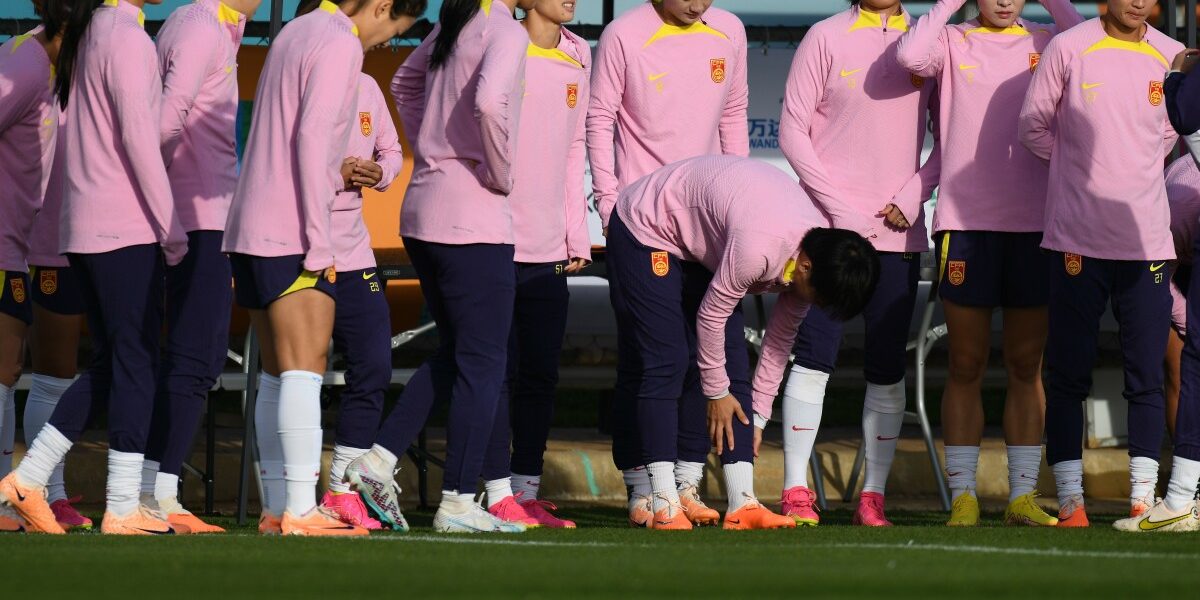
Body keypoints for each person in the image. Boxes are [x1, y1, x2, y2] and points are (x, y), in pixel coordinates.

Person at [223, 0, 417, 537]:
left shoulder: (295, 32)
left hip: (253, 226)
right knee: (304, 374)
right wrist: (316, 240)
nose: (382, 43)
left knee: (276, 376)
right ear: (381, 7)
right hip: (292, 230)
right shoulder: (338, 38)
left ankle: (279, 508)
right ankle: (304, 511)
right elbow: (311, 141)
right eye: (392, 29)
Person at [343, 0, 535, 535]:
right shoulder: (503, 28)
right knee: (483, 363)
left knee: (461, 356)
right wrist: (498, 171)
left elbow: (405, 83)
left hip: (424, 211)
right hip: (471, 221)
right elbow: (492, 104)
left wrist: (433, 149)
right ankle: (455, 501)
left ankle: (379, 460)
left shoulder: (460, 21)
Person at [607, 155, 877, 530]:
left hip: (701, 244)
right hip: (647, 225)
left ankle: (739, 502)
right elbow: (711, 317)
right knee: (667, 358)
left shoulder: (811, 261)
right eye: (818, 297)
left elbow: (779, 343)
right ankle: (663, 499)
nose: (813, 305)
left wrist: (760, 417)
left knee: (732, 361)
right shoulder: (758, 250)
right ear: (806, 267)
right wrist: (717, 394)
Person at [1, 0, 188, 535]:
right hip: (119, 228)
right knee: (133, 362)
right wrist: (171, 229)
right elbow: (139, 141)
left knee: (112, 363)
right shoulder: (123, 37)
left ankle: (30, 478)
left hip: (82, 229)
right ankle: (123, 506)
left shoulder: (93, 33)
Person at [895, 0, 1083, 528]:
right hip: (966, 223)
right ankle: (963, 496)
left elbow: (1091, 39)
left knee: (1027, 365)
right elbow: (909, 53)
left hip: (1037, 223)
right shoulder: (952, 41)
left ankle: (1021, 497)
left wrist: (1054, 2)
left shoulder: (1049, 39)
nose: (1005, 1)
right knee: (965, 363)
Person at [1018, 0, 1184, 527]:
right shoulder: (1070, 47)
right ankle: (1070, 500)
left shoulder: (1173, 55)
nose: (1138, 2)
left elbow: (1172, 130)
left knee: (1146, 376)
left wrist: (1130, 168)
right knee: (1068, 373)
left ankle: (1142, 497)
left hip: (1147, 242)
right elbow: (1033, 127)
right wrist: (1082, 170)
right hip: (1077, 239)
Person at [777, 0, 940, 527]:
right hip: (829, 237)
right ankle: (795, 489)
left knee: (886, 366)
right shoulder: (825, 36)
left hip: (897, 236)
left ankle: (873, 495)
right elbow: (792, 132)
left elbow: (951, 135)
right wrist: (840, 210)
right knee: (813, 357)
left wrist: (917, 191)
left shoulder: (926, 40)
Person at [587, 0, 749, 529]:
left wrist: (737, 198)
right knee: (650, 355)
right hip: (642, 224)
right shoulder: (623, 34)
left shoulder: (728, 29)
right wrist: (610, 204)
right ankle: (641, 485)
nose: (697, 5)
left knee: (697, 353)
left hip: (706, 225)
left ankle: (685, 481)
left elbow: (733, 115)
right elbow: (599, 118)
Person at [136, 0, 261, 537]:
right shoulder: (200, 26)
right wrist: (156, 197)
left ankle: (154, 488)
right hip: (192, 216)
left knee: (192, 356)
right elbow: (166, 119)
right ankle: (156, 490)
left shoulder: (208, 26)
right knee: (194, 355)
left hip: (196, 214)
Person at [479, 0, 591, 529]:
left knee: (540, 375)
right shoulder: (500, 41)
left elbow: (574, 153)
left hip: (549, 246)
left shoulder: (578, 54)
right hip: (496, 239)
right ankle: (494, 489)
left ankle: (525, 490)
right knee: (496, 371)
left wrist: (576, 232)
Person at [0, 0, 64, 534]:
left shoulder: (48, 66)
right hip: (2, 243)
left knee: (6, 372)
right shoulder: (24, 63)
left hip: (16, 244)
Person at [1113, 158, 1200, 533]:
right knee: (1183, 372)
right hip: (1164, 270)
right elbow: (1159, 273)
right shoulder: (1184, 199)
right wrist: (1189, 322)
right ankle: (1186, 492)